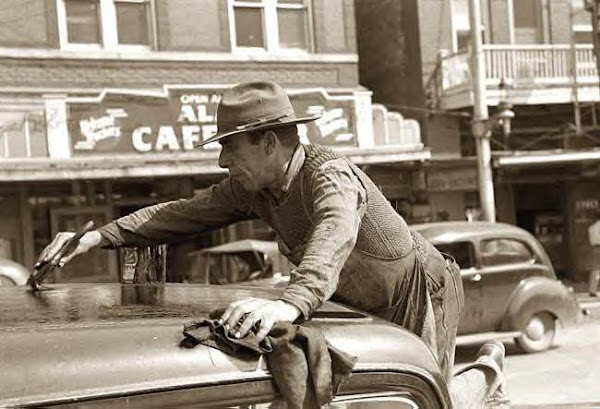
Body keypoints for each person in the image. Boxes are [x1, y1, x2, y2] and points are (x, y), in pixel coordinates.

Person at [39, 80, 504, 406]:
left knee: (423, 400)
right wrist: (95, 237)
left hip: (419, 294)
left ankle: (487, 373)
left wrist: (292, 303)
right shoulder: (253, 189)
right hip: (356, 302)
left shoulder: (331, 176)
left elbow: (334, 234)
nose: (223, 161)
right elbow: (182, 213)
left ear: (268, 144)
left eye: (230, 147)